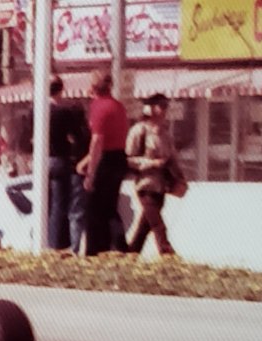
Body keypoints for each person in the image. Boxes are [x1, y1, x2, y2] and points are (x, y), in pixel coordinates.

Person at [125, 93, 180, 259]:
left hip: (161, 185)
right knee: (158, 225)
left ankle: (131, 254)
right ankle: (167, 253)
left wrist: (178, 177)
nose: (164, 110)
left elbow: (171, 157)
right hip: (146, 184)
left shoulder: (164, 132)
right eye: (160, 106)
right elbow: (128, 158)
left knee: (145, 226)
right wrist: (150, 163)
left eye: (165, 106)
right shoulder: (139, 130)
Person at [81, 68, 130, 255]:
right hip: (119, 157)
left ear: (93, 87)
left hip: (106, 160)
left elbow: (97, 142)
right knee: (109, 206)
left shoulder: (98, 107)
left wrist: (90, 173)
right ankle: (118, 246)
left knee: (93, 210)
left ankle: (95, 251)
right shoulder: (118, 106)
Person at [48, 75, 90, 252]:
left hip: (44, 158)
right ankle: (57, 243)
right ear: (61, 89)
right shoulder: (62, 112)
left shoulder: (36, 109)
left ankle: (49, 239)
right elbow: (77, 135)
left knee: (50, 202)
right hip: (60, 158)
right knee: (60, 203)